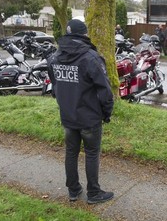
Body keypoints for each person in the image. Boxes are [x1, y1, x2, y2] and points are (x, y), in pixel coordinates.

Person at [48, 19, 114, 204]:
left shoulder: (54, 57)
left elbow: (54, 86)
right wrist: (106, 113)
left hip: (68, 115)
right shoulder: (91, 57)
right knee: (92, 153)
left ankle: (73, 190)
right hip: (89, 118)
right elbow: (105, 92)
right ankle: (93, 193)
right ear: (84, 35)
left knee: (71, 152)